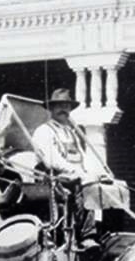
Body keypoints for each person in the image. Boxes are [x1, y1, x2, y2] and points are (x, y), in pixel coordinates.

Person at [32, 88, 109, 246]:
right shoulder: (44, 131)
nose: (63, 109)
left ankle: (104, 231)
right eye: (59, 106)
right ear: (51, 109)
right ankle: (87, 234)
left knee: (106, 186)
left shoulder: (71, 132)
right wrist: (77, 172)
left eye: (66, 106)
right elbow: (51, 160)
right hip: (52, 178)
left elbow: (83, 157)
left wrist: (96, 173)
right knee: (83, 185)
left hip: (74, 176)